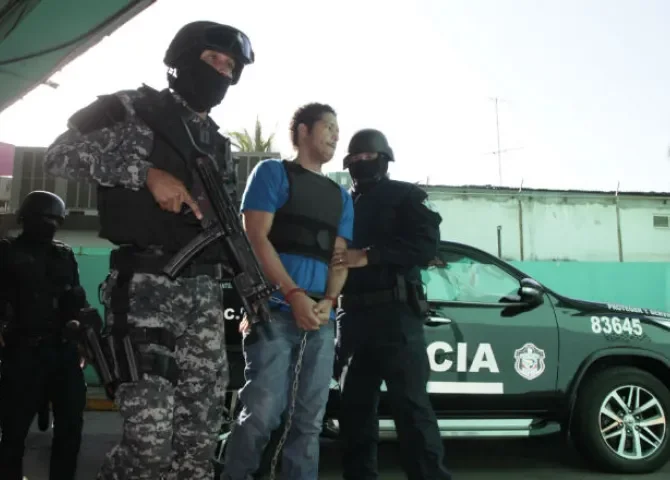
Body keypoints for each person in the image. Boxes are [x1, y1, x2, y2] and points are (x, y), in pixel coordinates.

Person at [43, 21, 255, 480]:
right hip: (145, 290)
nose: (222, 71)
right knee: (149, 449)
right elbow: (59, 155)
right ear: (184, 59)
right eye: (213, 59)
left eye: (230, 66)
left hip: (204, 296)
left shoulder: (218, 144)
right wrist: (145, 174)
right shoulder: (131, 109)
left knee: (197, 447)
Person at [222, 103, 354, 480]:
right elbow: (255, 237)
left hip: (320, 321)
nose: (336, 135)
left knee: (308, 422)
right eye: (328, 127)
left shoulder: (341, 196)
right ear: (302, 131)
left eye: (338, 129)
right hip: (273, 312)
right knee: (261, 415)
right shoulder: (272, 173)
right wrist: (294, 294)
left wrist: (328, 301)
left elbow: (339, 258)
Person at [336, 129, 452, 480]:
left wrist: (369, 256)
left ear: (384, 160)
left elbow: (426, 245)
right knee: (354, 414)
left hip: (396, 315)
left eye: (368, 157)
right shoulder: (340, 203)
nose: (361, 163)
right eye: (355, 159)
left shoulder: (406, 195)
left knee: (412, 410)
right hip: (351, 318)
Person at [0, 190, 87, 480]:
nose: (49, 225)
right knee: (13, 434)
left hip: (63, 354)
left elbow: (76, 301)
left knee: (70, 431)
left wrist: (80, 332)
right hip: (22, 353)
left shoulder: (63, 255)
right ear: (26, 219)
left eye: (55, 220)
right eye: (43, 218)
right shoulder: (7, 252)